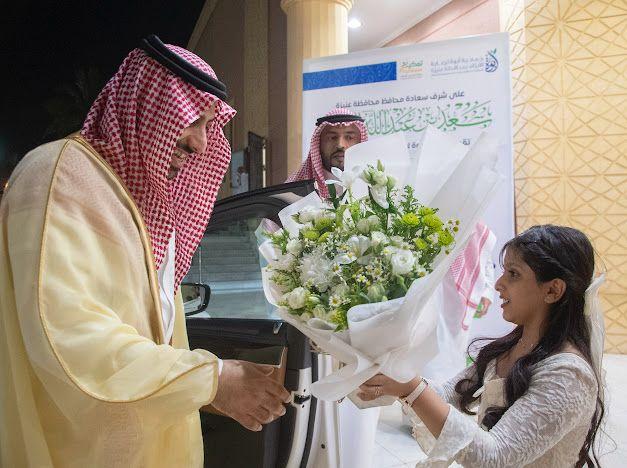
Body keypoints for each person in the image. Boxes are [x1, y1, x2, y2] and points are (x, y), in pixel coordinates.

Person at [0, 35, 289, 467]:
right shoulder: (58, 176)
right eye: (191, 119)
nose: (200, 144)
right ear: (142, 104)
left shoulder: (145, 205)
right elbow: (68, 336)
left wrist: (212, 386)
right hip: (79, 449)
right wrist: (213, 380)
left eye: (209, 125)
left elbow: (156, 330)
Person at [359, 225, 605, 467]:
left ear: (552, 290)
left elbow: (494, 457)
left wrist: (411, 389)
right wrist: (394, 377)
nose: (498, 284)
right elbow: (448, 394)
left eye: (513, 274)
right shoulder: (511, 347)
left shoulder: (568, 375)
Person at [286, 107, 368, 197]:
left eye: (349, 137)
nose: (340, 145)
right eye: (332, 137)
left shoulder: (375, 185)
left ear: (360, 142)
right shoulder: (293, 192)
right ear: (319, 143)